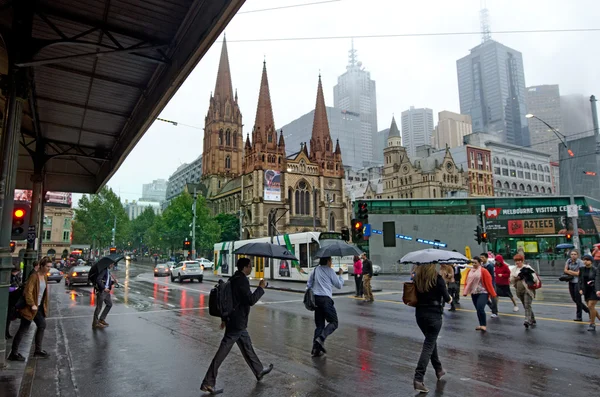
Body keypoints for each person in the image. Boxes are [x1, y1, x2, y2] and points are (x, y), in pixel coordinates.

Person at [200, 258, 273, 394]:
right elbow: (250, 300)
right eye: (250, 266)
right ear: (245, 267)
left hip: (234, 321)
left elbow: (227, 300)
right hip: (237, 323)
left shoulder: (234, 278)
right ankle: (208, 382)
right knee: (222, 352)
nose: (251, 268)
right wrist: (261, 288)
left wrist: (224, 319)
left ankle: (258, 370)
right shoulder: (242, 280)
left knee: (247, 346)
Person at [412, 264, 452, 393]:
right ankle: (418, 377)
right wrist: (447, 291)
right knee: (429, 344)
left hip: (420, 315)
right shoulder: (437, 278)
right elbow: (447, 298)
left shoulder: (416, 278)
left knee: (430, 341)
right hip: (434, 315)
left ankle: (439, 369)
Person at [8, 257, 52, 361]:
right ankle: (13, 354)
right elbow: (27, 292)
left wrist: (43, 305)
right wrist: (32, 304)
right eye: (47, 266)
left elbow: (43, 293)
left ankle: (38, 350)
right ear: (41, 266)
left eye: (50, 266)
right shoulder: (34, 276)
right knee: (23, 329)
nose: (49, 269)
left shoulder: (45, 277)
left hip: (39, 307)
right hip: (30, 308)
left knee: (42, 325)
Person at [307, 256, 344, 357]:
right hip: (326, 299)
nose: (331, 262)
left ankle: (315, 349)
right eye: (331, 260)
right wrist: (340, 275)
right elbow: (339, 285)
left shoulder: (315, 270)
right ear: (328, 261)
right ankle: (321, 338)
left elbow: (309, 284)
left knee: (319, 325)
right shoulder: (330, 271)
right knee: (334, 322)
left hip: (316, 300)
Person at [463, 257, 497, 332]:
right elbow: (467, 282)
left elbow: (489, 282)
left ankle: (484, 325)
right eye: (473, 263)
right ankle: (481, 324)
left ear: (479, 263)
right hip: (474, 292)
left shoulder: (484, 271)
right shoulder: (470, 271)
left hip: (483, 292)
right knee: (478, 309)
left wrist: (492, 293)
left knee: (480, 307)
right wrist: (465, 291)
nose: (474, 264)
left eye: (476, 263)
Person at [510, 254, 539, 328]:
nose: (517, 262)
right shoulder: (514, 269)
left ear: (522, 261)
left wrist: (525, 276)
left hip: (528, 289)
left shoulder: (527, 267)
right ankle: (532, 319)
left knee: (527, 305)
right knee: (525, 305)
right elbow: (511, 280)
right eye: (516, 261)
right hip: (519, 289)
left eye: (519, 260)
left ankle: (527, 320)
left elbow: (534, 278)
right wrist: (517, 278)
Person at [564, 250, 589, 321]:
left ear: (577, 255)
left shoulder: (580, 262)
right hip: (571, 281)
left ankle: (579, 316)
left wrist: (570, 271)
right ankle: (588, 310)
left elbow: (579, 274)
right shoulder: (568, 261)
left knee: (578, 299)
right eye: (572, 254)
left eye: (575, 254)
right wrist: (573, 272)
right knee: (574, 299)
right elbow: (565, 270)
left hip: (578, 282)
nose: (573, 255)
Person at [579, 254, 600, 331]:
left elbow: (598, 279)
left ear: (591, 261)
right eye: (584, 260)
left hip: (594, 290)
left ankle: (592, 323)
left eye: (587, 260)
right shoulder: (581, 269)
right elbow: (580, 280)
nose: (585, 261)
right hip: (586, 290)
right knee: (591, 307)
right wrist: (580, 288)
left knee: (591, 306)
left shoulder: (595, 269)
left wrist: (594, 284)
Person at [93, 262, 116, 329]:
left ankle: (101, 319)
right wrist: (104, 288)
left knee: (109, 304)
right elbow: (98, 280)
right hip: (102, 291)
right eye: (112, 264)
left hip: (107, 291)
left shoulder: (108, 271)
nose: (112, 265)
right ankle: (95, 323)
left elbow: (106, 281)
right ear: (108, 264)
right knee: (99, 307)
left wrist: (113, 282)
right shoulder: (104, 270)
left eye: (113, 264)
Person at [5, 267, 23, 339]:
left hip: (12, 299)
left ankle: (6, 333)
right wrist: (14, 288)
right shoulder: (10, 277)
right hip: (10, 298)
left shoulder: (15, 277)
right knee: (8, 318)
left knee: (9, 318)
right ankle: (6, 333)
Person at [479, 253, 498, 318]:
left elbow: (491, 276)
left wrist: (491, 284)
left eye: (483, 257)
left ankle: (495, 312)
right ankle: (492, 307)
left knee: (493, 298)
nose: (481, 259)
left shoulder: (490, 266)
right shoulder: (480, 265)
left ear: (486, 258)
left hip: (490, 283)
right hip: (483, 284)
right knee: (485, 297)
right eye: (480, 257)